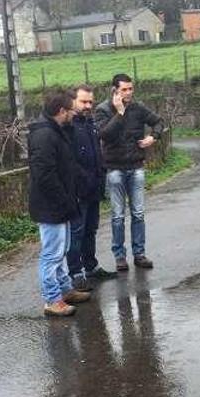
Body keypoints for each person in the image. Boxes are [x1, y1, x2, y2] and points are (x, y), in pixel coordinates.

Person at [28, 91, 91, 317]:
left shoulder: (57, 131)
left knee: (61, 251)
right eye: (72, 111)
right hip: (51, 206)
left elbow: (66, 164)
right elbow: (44, 175)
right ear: (62, 111)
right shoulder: (44, 135)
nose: (75, 115)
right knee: (52, 254)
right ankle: (52, 299)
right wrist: (63, 200)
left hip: (61, 203)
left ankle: (65, 290)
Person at [95, 73, 165, 272]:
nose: (128, 93)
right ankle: (120, 257)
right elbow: (104, 135)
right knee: (117, 216)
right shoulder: (102, 110)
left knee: (138, 213)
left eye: (130, 88)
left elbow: (159, 121)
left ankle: (139, 254)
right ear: (114, 90)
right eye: (124, 89)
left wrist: (154, 137)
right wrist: (119, 112)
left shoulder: (138, 107)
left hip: (135, 167)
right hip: (115, 169)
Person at [66, 84, 116, 292]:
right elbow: (70, 162)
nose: (88, 106)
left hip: (95, 188)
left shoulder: (91, 124)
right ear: (72, 102)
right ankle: (75, 273)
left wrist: (101, 174)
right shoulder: (68, 128)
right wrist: (82, 182)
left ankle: (91, 266)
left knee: (90, 230)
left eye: (90, 102)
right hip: (78, 191)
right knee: (76, 233)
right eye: (83, 102)